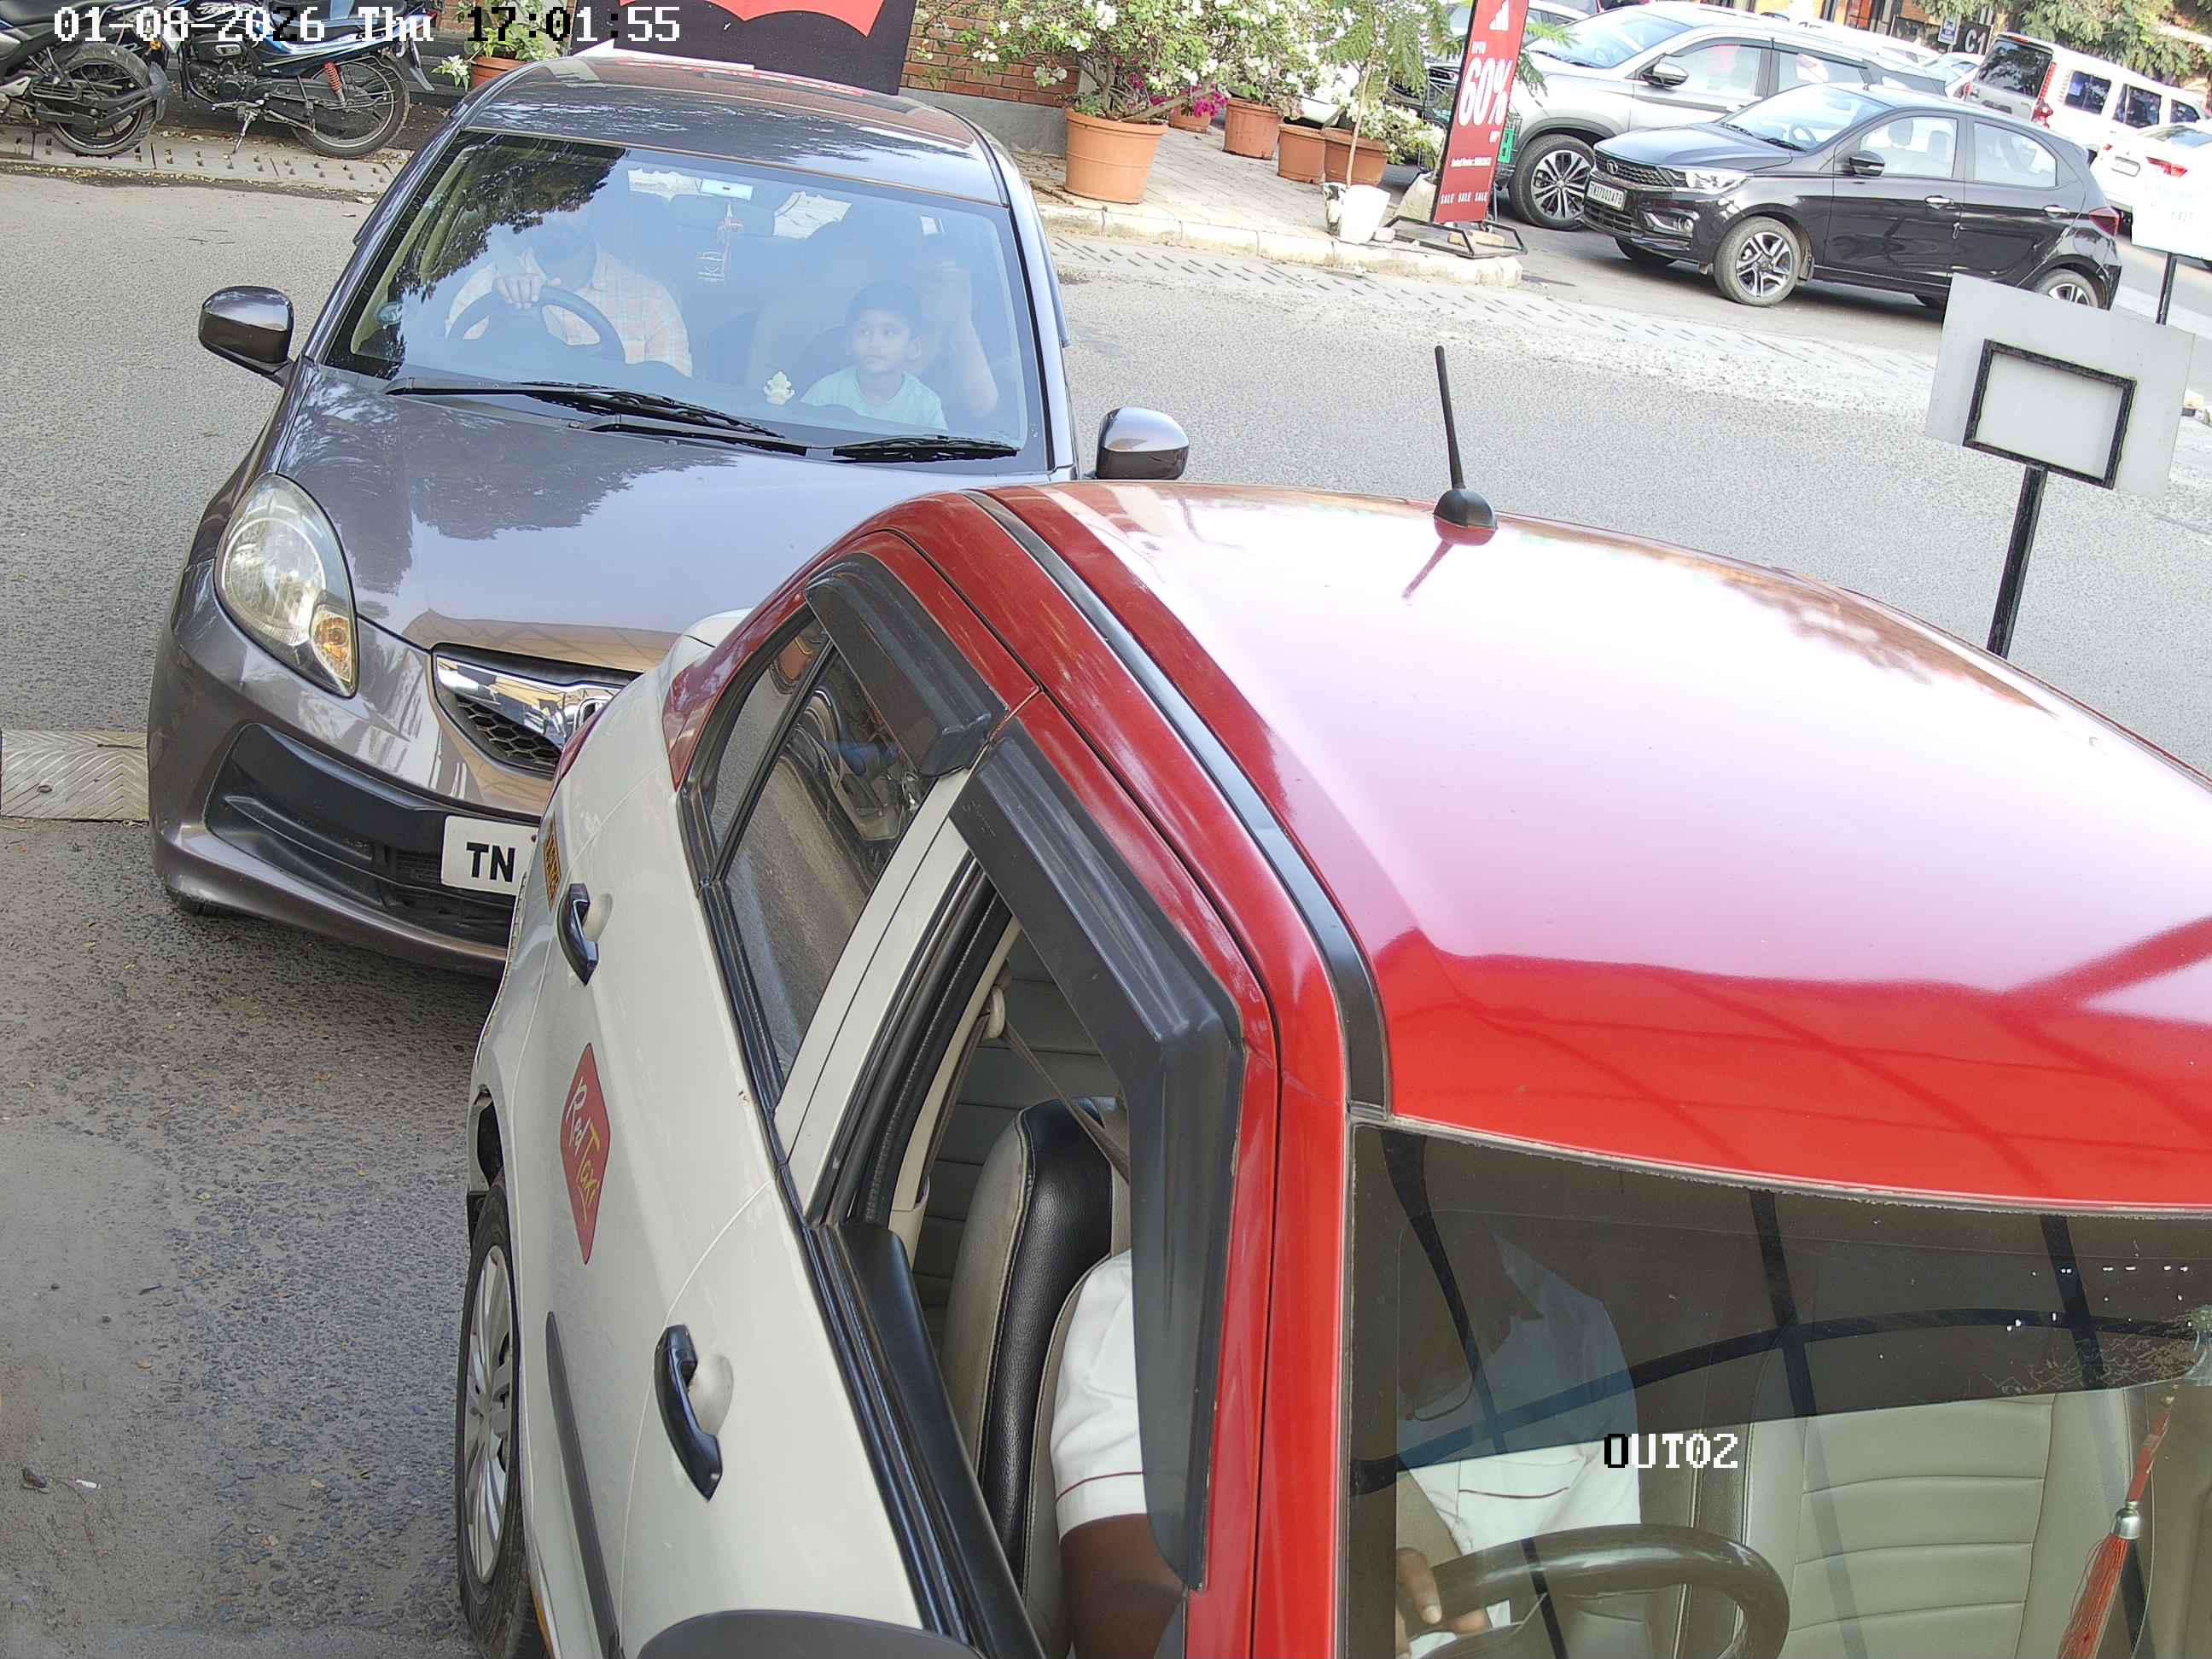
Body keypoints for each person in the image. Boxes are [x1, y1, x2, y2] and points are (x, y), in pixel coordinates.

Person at [1051, 1238, 1637, 1659]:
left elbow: (1613, 1609)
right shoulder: (1157, 1307)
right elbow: (1124, 1605)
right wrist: (1313, 1615)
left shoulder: (1579, 1338)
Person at [446, 208, 691, 375]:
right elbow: (453, 375)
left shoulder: (650, 298)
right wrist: (499, 318)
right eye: (542, 200)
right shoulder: (487, 286)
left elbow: (672, 397)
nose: (555, 215)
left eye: (571, 201)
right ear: (527, 210)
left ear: (595, 208)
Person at [802, 283, 947, 432]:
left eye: (889, 333)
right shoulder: (826, 393)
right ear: (848, 344)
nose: (874, 343)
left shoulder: (925, 404)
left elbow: (940, 445)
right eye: (864, 332)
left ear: (913, 348)